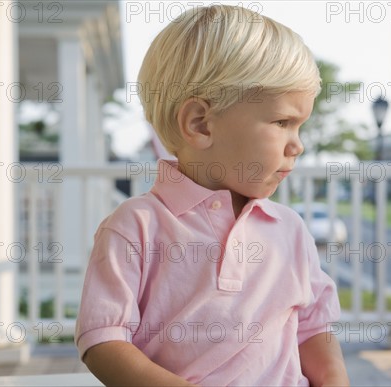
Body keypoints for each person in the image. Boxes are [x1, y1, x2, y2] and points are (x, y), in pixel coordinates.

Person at [75, 4, 349, 386]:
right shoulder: (135, 228)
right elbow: (103, 339)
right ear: (200, 123)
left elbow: (312, 327)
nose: (297, 146)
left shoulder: (290, 230)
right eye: (283, 122)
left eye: (300, 126)